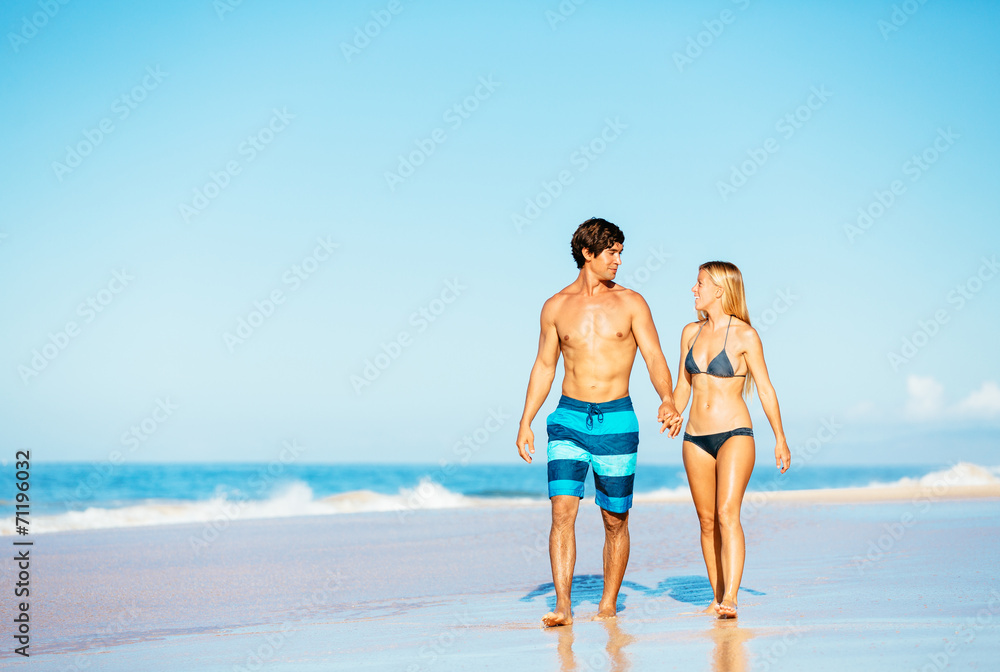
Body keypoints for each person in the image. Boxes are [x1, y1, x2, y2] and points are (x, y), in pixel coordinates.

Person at [516, 217, 682, 627]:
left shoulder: (631, 303)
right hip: (568, 418)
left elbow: (655, 356)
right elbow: (543, 366)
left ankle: (608, 604)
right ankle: (563, 606)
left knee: (615, 518)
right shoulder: (555, 307)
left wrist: (667, 398)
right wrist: (526, 421)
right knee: (561, 513)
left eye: (621, 252)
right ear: (588, 254)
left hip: (617, 418)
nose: (619, 261)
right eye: (612, 252)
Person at [671, 261, 790, 619]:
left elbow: (766, 390)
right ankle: (716, 595)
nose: (694, 289)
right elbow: (682, 388)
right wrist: (672, 410)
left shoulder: (745, 336)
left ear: (719, 290)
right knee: (706, 521)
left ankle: (732, 597)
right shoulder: (689, 333)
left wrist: (780, 438)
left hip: (735, 433)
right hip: (694, 438)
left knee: (727, 513)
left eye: (700, 283)